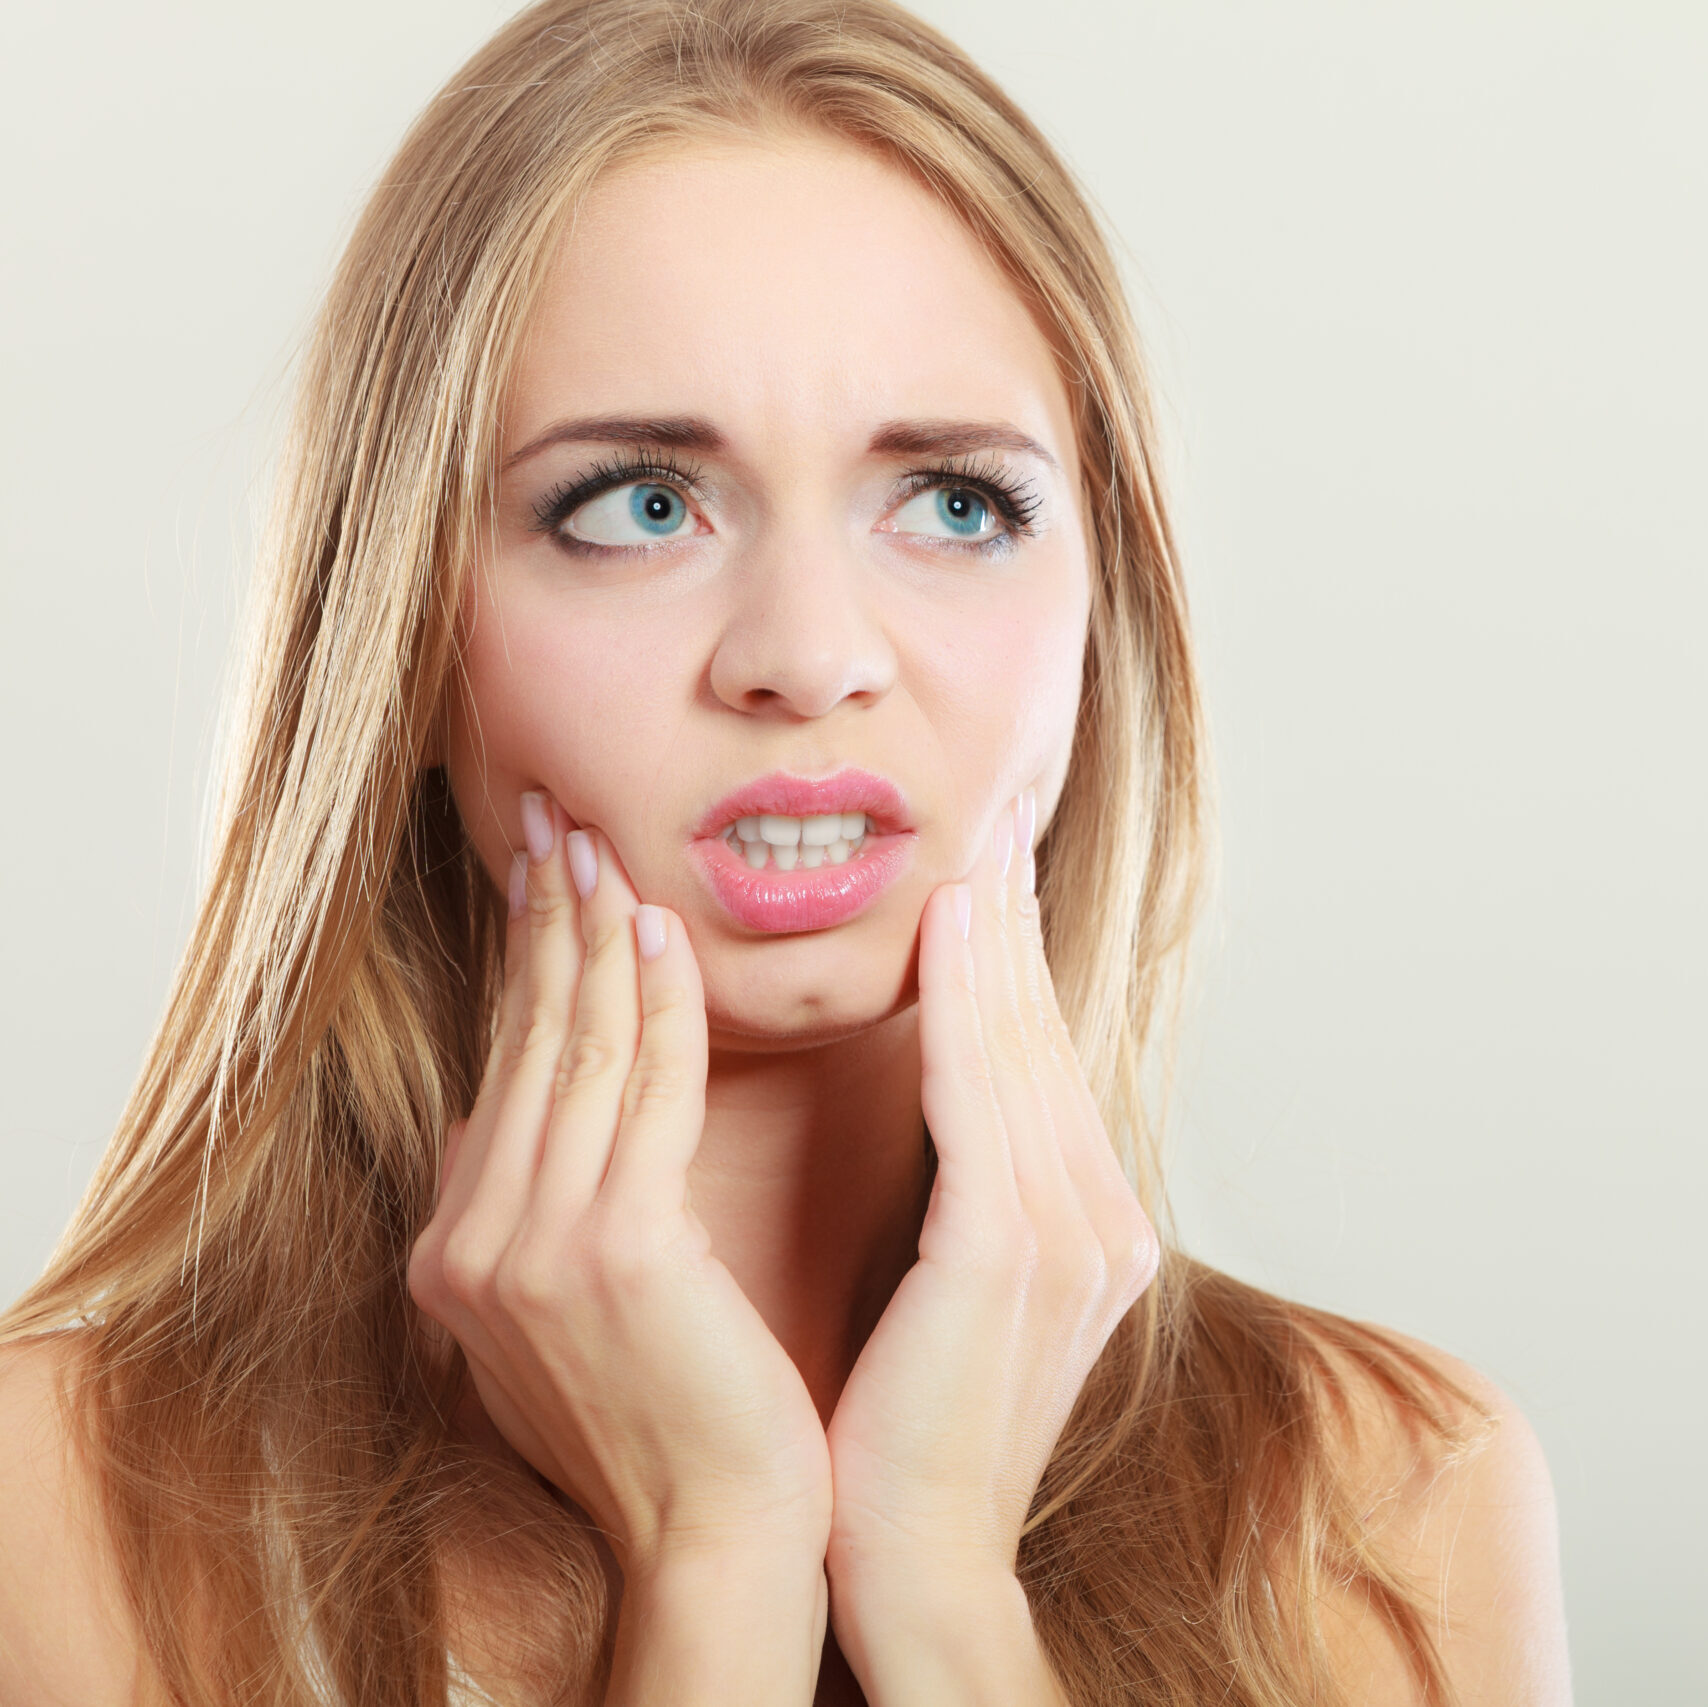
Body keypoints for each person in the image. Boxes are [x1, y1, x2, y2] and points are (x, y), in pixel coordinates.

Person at [0, 1, 1571, 1701]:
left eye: (957, 503)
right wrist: (717, 1557)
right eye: (639, 505)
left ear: (1102, 618)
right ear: (402, 643)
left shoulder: (1395, 1499)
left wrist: (943, 1581)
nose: (811, 655)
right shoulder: (58, 1504)